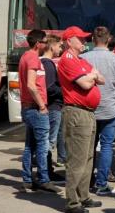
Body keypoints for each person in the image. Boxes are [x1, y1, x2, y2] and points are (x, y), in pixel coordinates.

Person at [58, 26, 105, 213]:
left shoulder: (80, 60)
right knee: (77, 160)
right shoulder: (68, 60)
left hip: (87, 113)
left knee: (87, 157)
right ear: (70, 41)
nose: (85, 41)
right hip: (77, 113)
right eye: (81, 39)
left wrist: (92, 75)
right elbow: (86, 83)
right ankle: (72, 202)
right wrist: (92, 76)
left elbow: (101, 79)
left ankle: (83, 196)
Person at [81, 26, 115, 195]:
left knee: (88, 147)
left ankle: (86, 181)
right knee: (107, 146)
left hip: (88, 108)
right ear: (109, 40)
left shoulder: (82, 58)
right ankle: (102, 183)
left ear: (93, 39)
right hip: (111, 108)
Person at [19, 29, 62, 194]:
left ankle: (28, 180)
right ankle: (44, 180)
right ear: (38, 44)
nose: (47, 44)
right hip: (36, 108)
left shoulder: (27, 57)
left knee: (30, 145)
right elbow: (31, 84)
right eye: (44, 41)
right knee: (43, 146)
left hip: (30, 108)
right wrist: (42, 105)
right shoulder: (32, 58)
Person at [40, 35, 66, 179]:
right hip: (53, 106)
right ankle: (47, 173)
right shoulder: (48, 64)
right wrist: (64, 91)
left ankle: (45, 172)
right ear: (51, 46)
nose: (60, 48)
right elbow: (50, 87)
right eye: (59, 46)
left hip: (50, 106)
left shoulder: (42, 62)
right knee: (50, 141)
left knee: (47, 140)